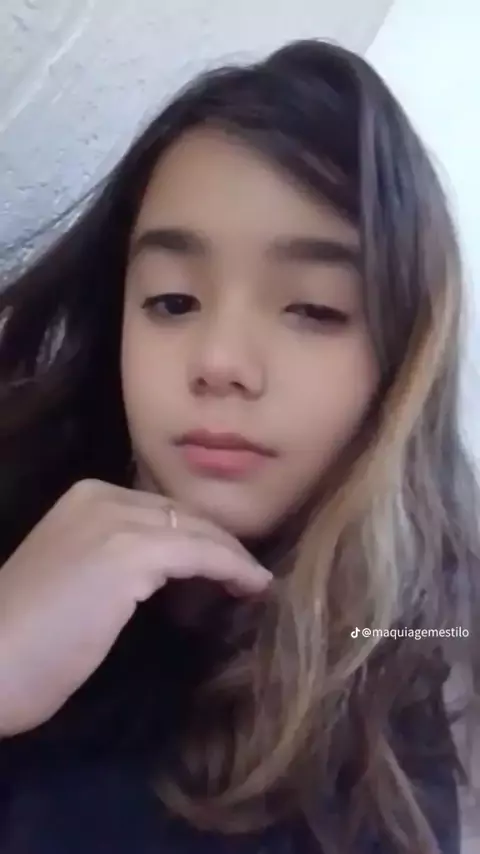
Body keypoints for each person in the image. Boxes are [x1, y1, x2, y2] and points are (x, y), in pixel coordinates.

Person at [0, 37, 478, 854]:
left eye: (315, 310)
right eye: (173, 301)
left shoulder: (407, 696)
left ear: (403, 360)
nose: (219, 361)